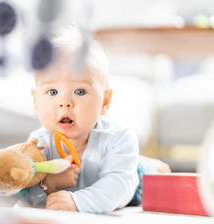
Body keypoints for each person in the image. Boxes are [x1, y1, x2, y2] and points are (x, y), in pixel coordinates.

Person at [23, 26, 170, 213]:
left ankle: (149, 165)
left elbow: (119, 187)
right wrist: (48, 185)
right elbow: (24, 185)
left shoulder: (119, 137)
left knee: (147, 176)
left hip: (134, 182)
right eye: (52, 92)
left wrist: (78, 202)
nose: (65, 102)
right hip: (102, 172)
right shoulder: (37, 144)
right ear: (35, 102)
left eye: (80, 91)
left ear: (105, 102)